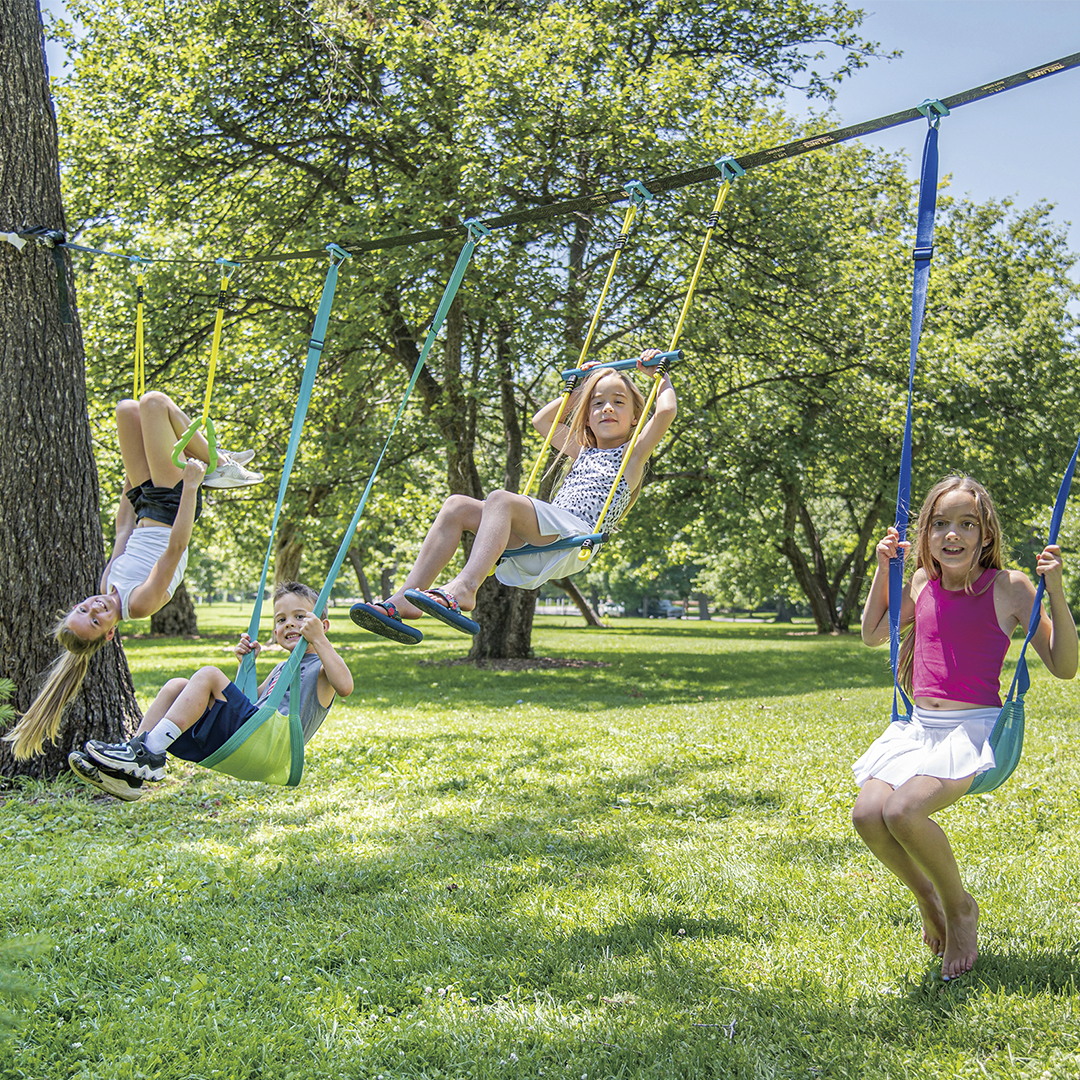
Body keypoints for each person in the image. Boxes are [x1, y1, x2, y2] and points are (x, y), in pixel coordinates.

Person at [853, 475, 1077, 981]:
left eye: (966, 525)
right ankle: (927, 896)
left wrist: (1057, 591)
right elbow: (871, 634)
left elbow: (1064, 666)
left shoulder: (1011, 587)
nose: (952, 535)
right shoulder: (919, 583)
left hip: (972, 730)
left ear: (985, 534)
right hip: (919, 727)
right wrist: (883, 571)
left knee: (904, 809)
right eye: (941, 524)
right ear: (927, 533)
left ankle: (960, 909)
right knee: (869, 815)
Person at [3, 390, 263, 759]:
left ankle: (216, 458)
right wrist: (191, 487)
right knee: (154, 403)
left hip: (145, 502)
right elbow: (174, 549)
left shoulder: (107, 584)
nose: (94, 609)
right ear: (110, 632)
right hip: (174, 505)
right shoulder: (139, 604)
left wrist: (130, 486)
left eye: (83, 611)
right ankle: (219, 465)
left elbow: (124, 533)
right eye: (96, 620)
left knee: (126, 410)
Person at [350, 352, 677, 642]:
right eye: (597, 403)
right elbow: (542, 420)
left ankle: (465, 588)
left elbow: (665, 412)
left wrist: (659, 375)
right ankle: (403, 600)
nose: (607, 407)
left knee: (501, 499)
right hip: (543, 538)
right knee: (456, 506)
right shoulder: (582, 451)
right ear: (586, 415)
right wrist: (578, 389)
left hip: (575, 535)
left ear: (636, 416)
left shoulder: (632, 456)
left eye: (619, 402)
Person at [68, 581, 354, 800]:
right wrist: (246, 666)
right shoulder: (282, 667)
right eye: (280, 619)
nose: (289, 623)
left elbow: (345, 686)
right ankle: (132, 766)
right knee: (176, 687)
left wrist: (319, 640)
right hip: (253, 738)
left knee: (208, 675)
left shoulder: (320, 669)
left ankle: (149, 755)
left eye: (300, 617)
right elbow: (253, 703)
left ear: (322, 625)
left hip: (273, 748)